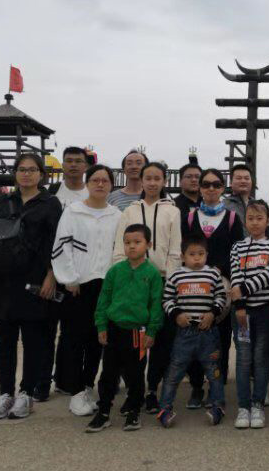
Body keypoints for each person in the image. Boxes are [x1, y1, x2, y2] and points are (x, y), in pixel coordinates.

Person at [0, 153, 62, 421]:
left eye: (32, 169)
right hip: (3, 281)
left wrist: (51, 275)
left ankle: (26, 393)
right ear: (15, 173)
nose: (26, 174)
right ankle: (5, 393)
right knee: (5, 341)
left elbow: (55, 242)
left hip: (34, 279)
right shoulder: (3, 202)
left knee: (32, 340)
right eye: (22, 169)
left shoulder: (50, 204)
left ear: (41, 174)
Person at [51, 164, 121, 417]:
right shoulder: (73, 211)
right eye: (95, 180)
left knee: (96, 340)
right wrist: (69, 278)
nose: (100, 184)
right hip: (78, 286)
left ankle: (88, 386)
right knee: (74, 339)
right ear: (88, 183)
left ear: (111, 185)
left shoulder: (116, 215)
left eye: (105, 180)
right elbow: (61, 246)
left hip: (106, 285)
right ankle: (75, 391)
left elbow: (119, 250)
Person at [113, 161, 181, 414]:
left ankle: (152, 389)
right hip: (133, 280)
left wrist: (170, 283)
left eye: (157, 178)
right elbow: (119, 248)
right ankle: (135, 391)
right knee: (135, 340)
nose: (152, 183)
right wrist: (123, 278)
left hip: (161, 279)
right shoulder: (130, 211)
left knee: (160, 339)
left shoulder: (172, 211)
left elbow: (175, 249)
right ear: (141, 181)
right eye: (148, 178)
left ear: (164, 181)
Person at [86, 224, 164, 432]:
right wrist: (101, 325)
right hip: (114, 329)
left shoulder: (153, 274)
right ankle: (103, 412)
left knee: (136, 374)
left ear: (149, 245)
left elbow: (156, 305)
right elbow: (103, 300)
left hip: (138, 332)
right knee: (108, 373)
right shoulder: (115, 271)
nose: (132, 246)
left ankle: (134, 411)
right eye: (127, 242)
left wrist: (151, 331)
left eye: (137, 242)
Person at [181, 168, 244, 408]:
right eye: (206, 184)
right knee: (193, 335)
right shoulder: (190, 217)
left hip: (222, 287)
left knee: (221, 339)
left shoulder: (232, 218)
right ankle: (197, 386)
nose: (210, 188)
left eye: (216, 184)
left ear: (222, 188)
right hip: (194, 286)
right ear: (200, 188)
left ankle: (216, 388)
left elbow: (237, 252)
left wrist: (219, 269)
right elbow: (183, 249)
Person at [156, 236, 228, 428]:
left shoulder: (212, 275)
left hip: (208, 333)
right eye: (192, 254)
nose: (197, 258)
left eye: (201, 254)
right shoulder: (176, 276)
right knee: (174, 372)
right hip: (184, 334)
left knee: (214, 372)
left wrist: (212, 313)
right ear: (182, 256)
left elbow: (221, 297)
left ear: (207, 255)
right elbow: (167, 299)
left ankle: (218, 406)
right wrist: (176, 314)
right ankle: (165, 408)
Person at [229, 200, 269, 430]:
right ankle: (243, 406)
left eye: (259, 218)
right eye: (250, 218)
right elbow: (235, 276)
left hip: (266, 310)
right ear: (245, 221)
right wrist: (240, 304)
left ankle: (258, 405)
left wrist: (243, 290)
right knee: (243, 359)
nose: (255, 222)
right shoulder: (237, 247)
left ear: (268, 221)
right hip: (242, 312)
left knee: (261, 358)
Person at [41, 146, 89, 400]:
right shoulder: (51, 193)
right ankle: (41, 382)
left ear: (85, 166)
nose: (73, 165)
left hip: (81, 273)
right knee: (47, 330)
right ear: (62, 164)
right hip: (52, 271)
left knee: (73, 330)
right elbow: (47, 235)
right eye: (69, 160)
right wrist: (50, 271)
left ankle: (68, 379)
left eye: (78, 161)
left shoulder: (92, 192)